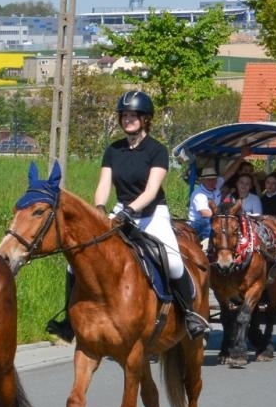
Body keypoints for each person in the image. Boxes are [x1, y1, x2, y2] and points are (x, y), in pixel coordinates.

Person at [51, 89, 208, 341]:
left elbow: (151, 190)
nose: (128, 120)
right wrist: (99, 209)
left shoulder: (157, 150)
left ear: (146, 119)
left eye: (133, 115)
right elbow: (104, 184)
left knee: (175, 262)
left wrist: (130, 211)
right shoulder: (113, 150)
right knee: (75, 262)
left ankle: (189, 315)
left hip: (151, 214)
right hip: (119, 211)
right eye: (124, 115)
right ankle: (69, 321)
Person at [189, 164, 222, 239]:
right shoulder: (198, 194)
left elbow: (230, 173)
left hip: (215, 217)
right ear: (202, 180)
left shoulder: (216, 185)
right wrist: (221, 216)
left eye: (213, 179)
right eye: (208, 180)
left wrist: (241, 157)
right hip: (197, 223)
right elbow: (205, 213)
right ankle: (207, 245)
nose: (211, 182)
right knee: (209, 224)